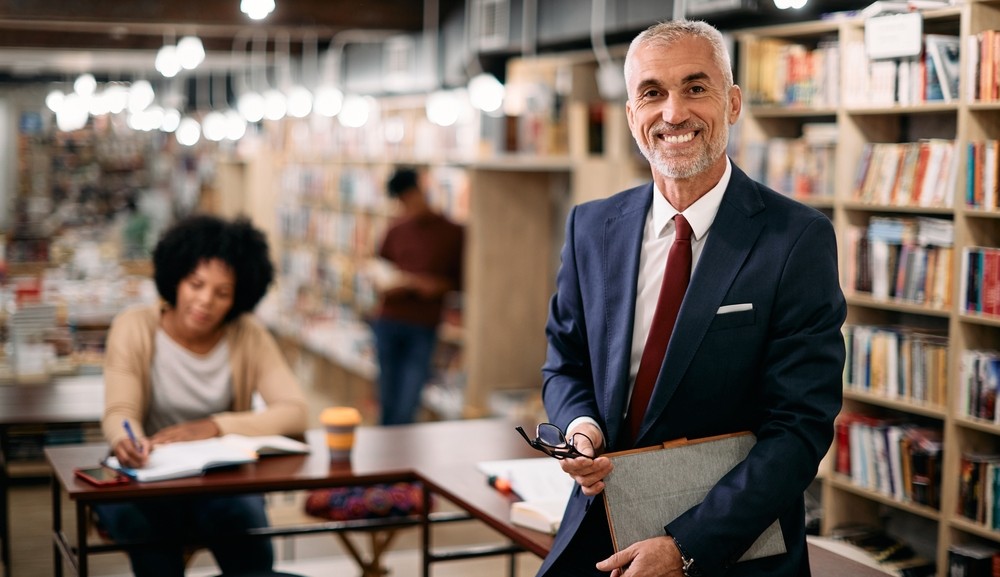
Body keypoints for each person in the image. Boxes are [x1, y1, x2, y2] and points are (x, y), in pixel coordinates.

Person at [536, 20, 846, 577]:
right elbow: (565, 361)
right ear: (632, 115)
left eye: (695, 88)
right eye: (651, 93)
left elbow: (799, 426)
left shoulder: (796, 239)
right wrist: (580, 425)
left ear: (732, 103)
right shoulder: (592, 226)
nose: (673, 113)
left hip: (729, 549)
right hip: (599, 532)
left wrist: (686, 546)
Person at [96, 214, 309, 577]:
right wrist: (124, 439)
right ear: (176, 278)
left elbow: (296, 413)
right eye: (196, 284)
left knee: (246, 526)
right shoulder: (134, 326)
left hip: (220, 478)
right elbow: (120, 410)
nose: (205, 300)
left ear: (239, 297)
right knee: (146, 531)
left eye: (222, 292)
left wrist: (214, 426)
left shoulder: (247, 334)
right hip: (147, 476)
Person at [370, 167, 464, 425]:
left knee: (408, 401)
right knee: (386, 398)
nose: (406, 205)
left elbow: (461, 281)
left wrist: (431, 285)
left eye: (409, 197)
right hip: (388, 321)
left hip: (423, 325)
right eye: (401, 201)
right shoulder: (395, 229)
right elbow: (379, 270)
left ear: (422, 190)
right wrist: (387, 283)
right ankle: (385, 458)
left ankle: (400, 456)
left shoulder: (453, 232)